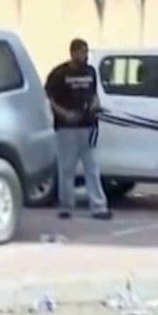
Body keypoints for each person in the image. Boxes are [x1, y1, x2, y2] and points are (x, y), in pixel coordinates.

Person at [45, 38, 112, 220]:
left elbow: (94, 94)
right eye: (81, 52)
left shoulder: (90, 71)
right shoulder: (59, 74)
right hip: (67, 128)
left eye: (86, 52)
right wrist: (64, 113)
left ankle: (98, 206)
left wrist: (94, 104)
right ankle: (66, 206)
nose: (84, 56)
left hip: (88, 126)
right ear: (72, 52)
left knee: (92, 167)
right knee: (67, 168)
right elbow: (50, 99)